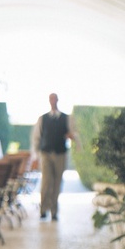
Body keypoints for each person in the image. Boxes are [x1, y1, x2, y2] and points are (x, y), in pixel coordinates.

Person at [30, 93, 75, 221]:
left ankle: (54, 210)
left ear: (58, 100)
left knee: (57, 182)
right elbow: (36, 137)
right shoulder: (42, 118)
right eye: (51, 98)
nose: (53, 101)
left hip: (60, 153)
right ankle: (43, 209)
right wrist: (35, 154)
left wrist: (71, 136)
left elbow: (73, 134)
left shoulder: (66, 118)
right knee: (46, 182)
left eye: (55, 98)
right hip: (46, 154)